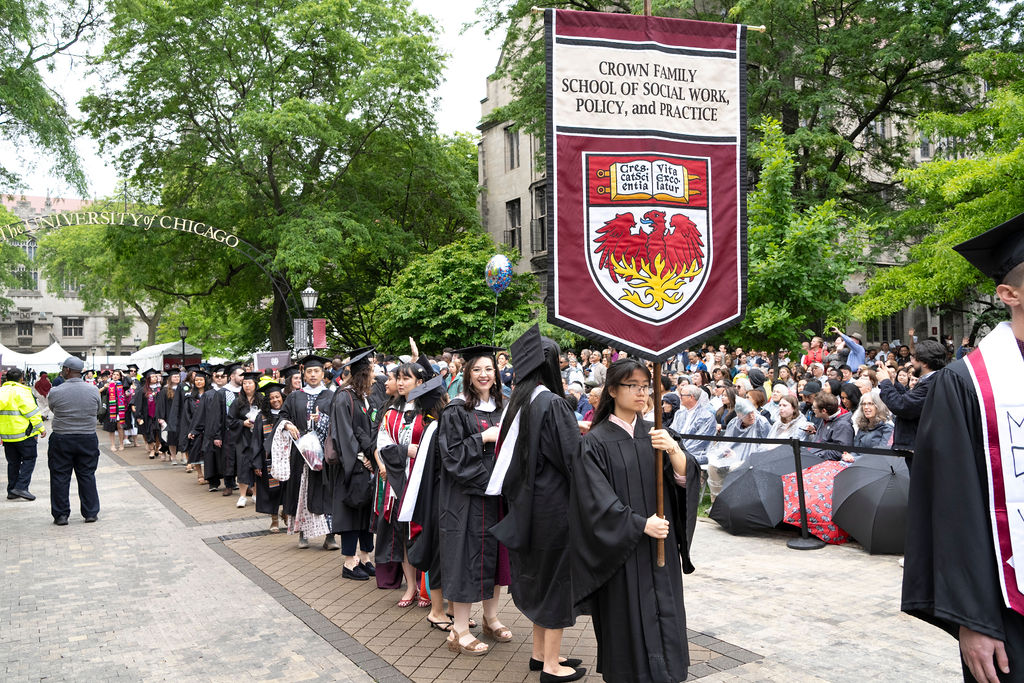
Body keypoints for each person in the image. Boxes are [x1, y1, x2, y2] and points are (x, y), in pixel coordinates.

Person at [902, 212, 1024, 683]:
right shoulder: (967, 384)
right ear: (1008, 294)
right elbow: (952, 507)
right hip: (1008, 608)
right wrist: (972, 621)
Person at [571, 358, 696, 683]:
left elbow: (684, 482)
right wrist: (640, 524)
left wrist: (674, 452)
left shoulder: (656, 434)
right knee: (627, 622)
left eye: (645, 386)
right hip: (622, 553)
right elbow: (594, 501)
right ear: (612, 390)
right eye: (633, 386)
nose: (642, 393)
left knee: (665, 615)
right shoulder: (595, 443)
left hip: (661, 547)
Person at [489, 327, 585, 681]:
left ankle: (539, 654)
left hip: (527, 505)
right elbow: (573, 459)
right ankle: (551, 665)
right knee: (556, 582)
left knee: (541, 579)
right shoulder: (553, 404)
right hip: (554, 509)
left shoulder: (521, 402)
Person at [436, 345, 512, 656]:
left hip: (497, 497)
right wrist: (483, 438)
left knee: (494, 559)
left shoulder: (503, 407)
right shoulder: (456, 409)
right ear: (467, 374)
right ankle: (459, 630)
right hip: (466, 500)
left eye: (489, 369)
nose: (483, 374)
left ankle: (491, 617)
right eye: (477, 369)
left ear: (497, 374)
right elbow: (450, 456)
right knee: (466, 561)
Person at [326, 347, 378, 580]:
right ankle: (349, 563)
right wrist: (361, 457)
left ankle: (365, 558)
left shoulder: (361, 397)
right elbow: (343, 435)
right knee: (350, 512)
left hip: (364, 465)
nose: (375, 376)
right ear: (362, 374)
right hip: (351, 466)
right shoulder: (343, 397)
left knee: (365, 512)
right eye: (372, 371)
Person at [280, 355, 337, 550]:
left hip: (324, 453)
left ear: (323, 373)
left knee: (327, 493)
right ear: (304, 373)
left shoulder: (332, 396)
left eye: (317, 371)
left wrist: (322, 419)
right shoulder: (295, 396)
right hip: (302, 453)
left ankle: (330, 536)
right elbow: (283, 416)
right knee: (301, 491)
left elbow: (340, 422)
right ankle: (303, 533)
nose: (313, 375)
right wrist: (287, 425)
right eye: (309, 371)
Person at [46, 356, 103, 525]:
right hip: (87, 437)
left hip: (62, 438)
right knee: (87, 475)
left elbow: (52, 409)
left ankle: (61, 515)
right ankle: (90, 512)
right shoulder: (93, 390)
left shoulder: (56, 391)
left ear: (67, 370)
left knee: (60, 476)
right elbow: (98, 409)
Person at [876, 339, 946, 467]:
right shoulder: (932, 380)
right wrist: (892, 383)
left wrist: (885, 382)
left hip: (922, 449)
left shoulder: (932, 383)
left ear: (924, 362)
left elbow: (902, 406)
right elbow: (908, 399)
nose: (911, 362)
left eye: (914, 359)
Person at [1, 368, 45, 501]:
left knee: (13, 463)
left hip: (7, 435)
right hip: (24, 433)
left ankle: (11, 490)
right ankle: (21, 487)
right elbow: (32, 413)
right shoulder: (23, 392)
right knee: (29, 459)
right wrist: (41, 428)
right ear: (21, 378)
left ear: (7, 379)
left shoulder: (1, 391)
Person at [249, 382, 287, 532]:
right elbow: (256, 442)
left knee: (288, 489)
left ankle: (286, 513)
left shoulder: (288, 414)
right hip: (268, 461)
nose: (275, 400)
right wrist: (257, 464)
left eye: (277, 397)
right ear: (267, 401)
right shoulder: (262, 417)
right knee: (272, 491)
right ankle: (274, 520)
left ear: (282, 397)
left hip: (287, 459)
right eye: (271, 398)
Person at [133, 369, 164, 459]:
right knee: (149, 432)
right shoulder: (143, 390)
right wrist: (138, 416)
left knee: (158, 432)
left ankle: (157, 447)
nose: (155, 378)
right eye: (153, 376)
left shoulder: (161, 389)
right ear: (148, 379)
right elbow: (139, 404)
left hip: (159, 414)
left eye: (156, 376)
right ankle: (152, 450)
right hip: (148, 415)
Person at [101, 369, 129, 452]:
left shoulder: (123, 385)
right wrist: (104, 387)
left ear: (120, 377)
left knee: (120, 427)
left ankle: (121, 444)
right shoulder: (109, 385)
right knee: (111, 428)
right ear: (111, 376)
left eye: (117, 375)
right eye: (114, 374)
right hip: (111, 409)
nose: (115, 376)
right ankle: (112, 445)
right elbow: (99, 392)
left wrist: (124, 374)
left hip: (120, 409)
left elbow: (130, 381)